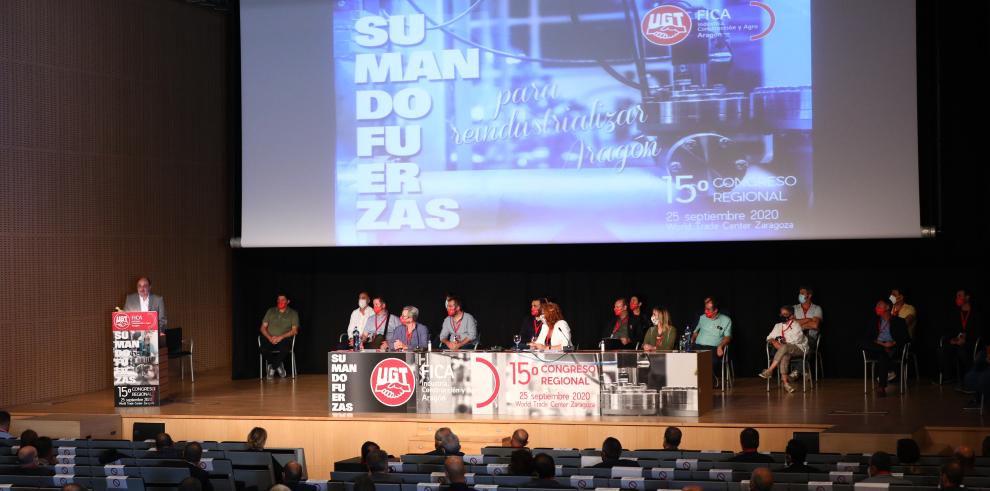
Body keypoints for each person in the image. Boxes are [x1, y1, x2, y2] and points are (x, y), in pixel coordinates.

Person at [861, 298, 909, 395]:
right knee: (865, 343)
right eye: (876, 306)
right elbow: (867, 338)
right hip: (878, 346)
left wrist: (893, 343)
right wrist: (882, 344)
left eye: (879, 305)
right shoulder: (873, 322)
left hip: (893, 348)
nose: (876, 307)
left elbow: (906, 338)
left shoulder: (899, 321)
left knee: (883, 354)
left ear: (887, 307)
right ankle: (885, 352)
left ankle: (881, 386)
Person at [759, 305, 808, 393]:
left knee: (785, 348)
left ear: (791, 316)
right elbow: (769, 337)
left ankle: (770, 370)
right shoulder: (778, 326)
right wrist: (774, 342)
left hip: (799, 349)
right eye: (781, 314)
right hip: (785, 350)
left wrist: (782, 343)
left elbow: (796, 340)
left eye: (785, 314)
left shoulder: (796, 325)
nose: (782, 316)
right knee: (785, 355)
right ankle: (786, 384)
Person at [940, 289, 982, 384]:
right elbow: (950, 331)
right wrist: (952, 340)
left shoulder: (976, 314)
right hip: (957, 342)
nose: (957, 298)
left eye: (959, 296)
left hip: (970, 342)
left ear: (967, 297)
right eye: (956, 296)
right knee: (943, 350)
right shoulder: (954, 314)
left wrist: (966, 338)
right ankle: (949, 377)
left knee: (962, 351)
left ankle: (968, 379)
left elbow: (978, 332)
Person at [259, 294, 300, 379]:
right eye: (279, 300)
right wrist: (270, 338)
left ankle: (272, 367)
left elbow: (294, 331)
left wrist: (281, 337)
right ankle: (278, 365)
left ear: (288, 301)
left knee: (284, 349)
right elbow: (263, 328)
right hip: (269, 338)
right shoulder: (271, 311)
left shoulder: (293, 313)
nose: (280, 302)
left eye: (283, 300)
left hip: (284, 338)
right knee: (263, 349)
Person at [691, 297, 733, 377]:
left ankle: (709, 381)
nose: (705, 311)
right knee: (687, 358)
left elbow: (728, 337)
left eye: (708, 309)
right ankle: (693, 381)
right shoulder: (702, 317)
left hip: (713, 348)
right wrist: (692, 339)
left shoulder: (726, 320)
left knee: (710, 361)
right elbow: (695, 332)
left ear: (715, 310)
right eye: (705, 308)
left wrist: (720, 346)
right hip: (698, 346)